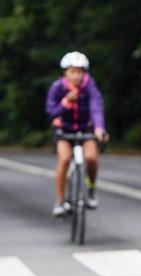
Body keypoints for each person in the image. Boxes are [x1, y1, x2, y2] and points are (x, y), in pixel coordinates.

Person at [45, 52, 107, 216]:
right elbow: (51, 112)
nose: (76, 76)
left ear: (84, 73)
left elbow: (96, 108)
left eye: (79, 71)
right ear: (65, 73)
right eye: (72, 71)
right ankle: (59, 201)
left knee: (92, 158)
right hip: (64, 129)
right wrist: (66, 102)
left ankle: (91, 188)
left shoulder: (90, 87)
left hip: (85, 129)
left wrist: (99, 128)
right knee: (64, 159)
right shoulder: (57, 88)